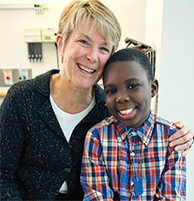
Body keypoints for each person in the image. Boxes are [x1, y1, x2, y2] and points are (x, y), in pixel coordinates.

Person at [0, 0, 192, 200]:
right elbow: (2, 175)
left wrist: (183, 137)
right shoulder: (22, 99)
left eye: (103, 48)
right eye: (83, 42)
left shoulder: (110, 109)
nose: (92, 56)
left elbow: (147, 136)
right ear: (61, 44)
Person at [80, 48, 187, 200]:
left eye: (132, 86)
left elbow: (172, 197)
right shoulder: (97, 138)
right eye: (111, 90)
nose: (121, 98)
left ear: (153, 88)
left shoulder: (172, 138)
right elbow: (97, 196)